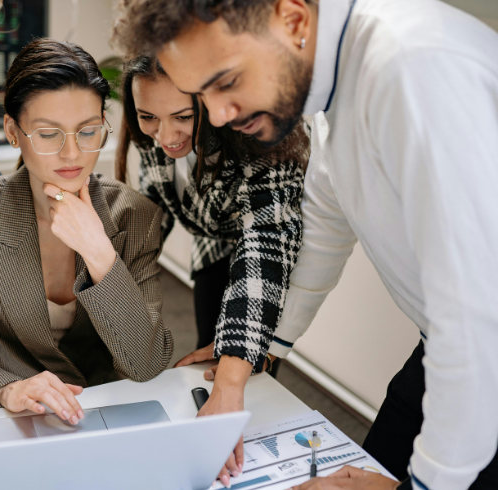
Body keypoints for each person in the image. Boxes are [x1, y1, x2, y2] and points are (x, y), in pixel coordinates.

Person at [111, 0, 498, 489]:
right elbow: (319, 238)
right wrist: (251, 353)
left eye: (226, 81)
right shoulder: (338, 93)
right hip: (443, 343)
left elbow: (477, 312)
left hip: (479, 345)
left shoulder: (411, 67)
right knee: (366, 466)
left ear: (292, 19)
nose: (220, 115)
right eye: (203, 93)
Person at [0, 38, 173, 422]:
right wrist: (7, 388)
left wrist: (99, 252)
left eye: (88, 131)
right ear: (14, 132)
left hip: (92, 415)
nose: (72, 154)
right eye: (49, 134)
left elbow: (146, 362)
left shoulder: (136, 216)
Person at [116, 55, 310, 362]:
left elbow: (263, 242)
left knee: (249, 356)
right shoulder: (150, 131)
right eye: (148, 116)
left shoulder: (259, 136)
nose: (165, 136)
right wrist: (112, 272)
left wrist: (238, 358)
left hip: (272, 246)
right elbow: (155, 203)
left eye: (182, 117)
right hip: (211, 243)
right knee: (207, 345)